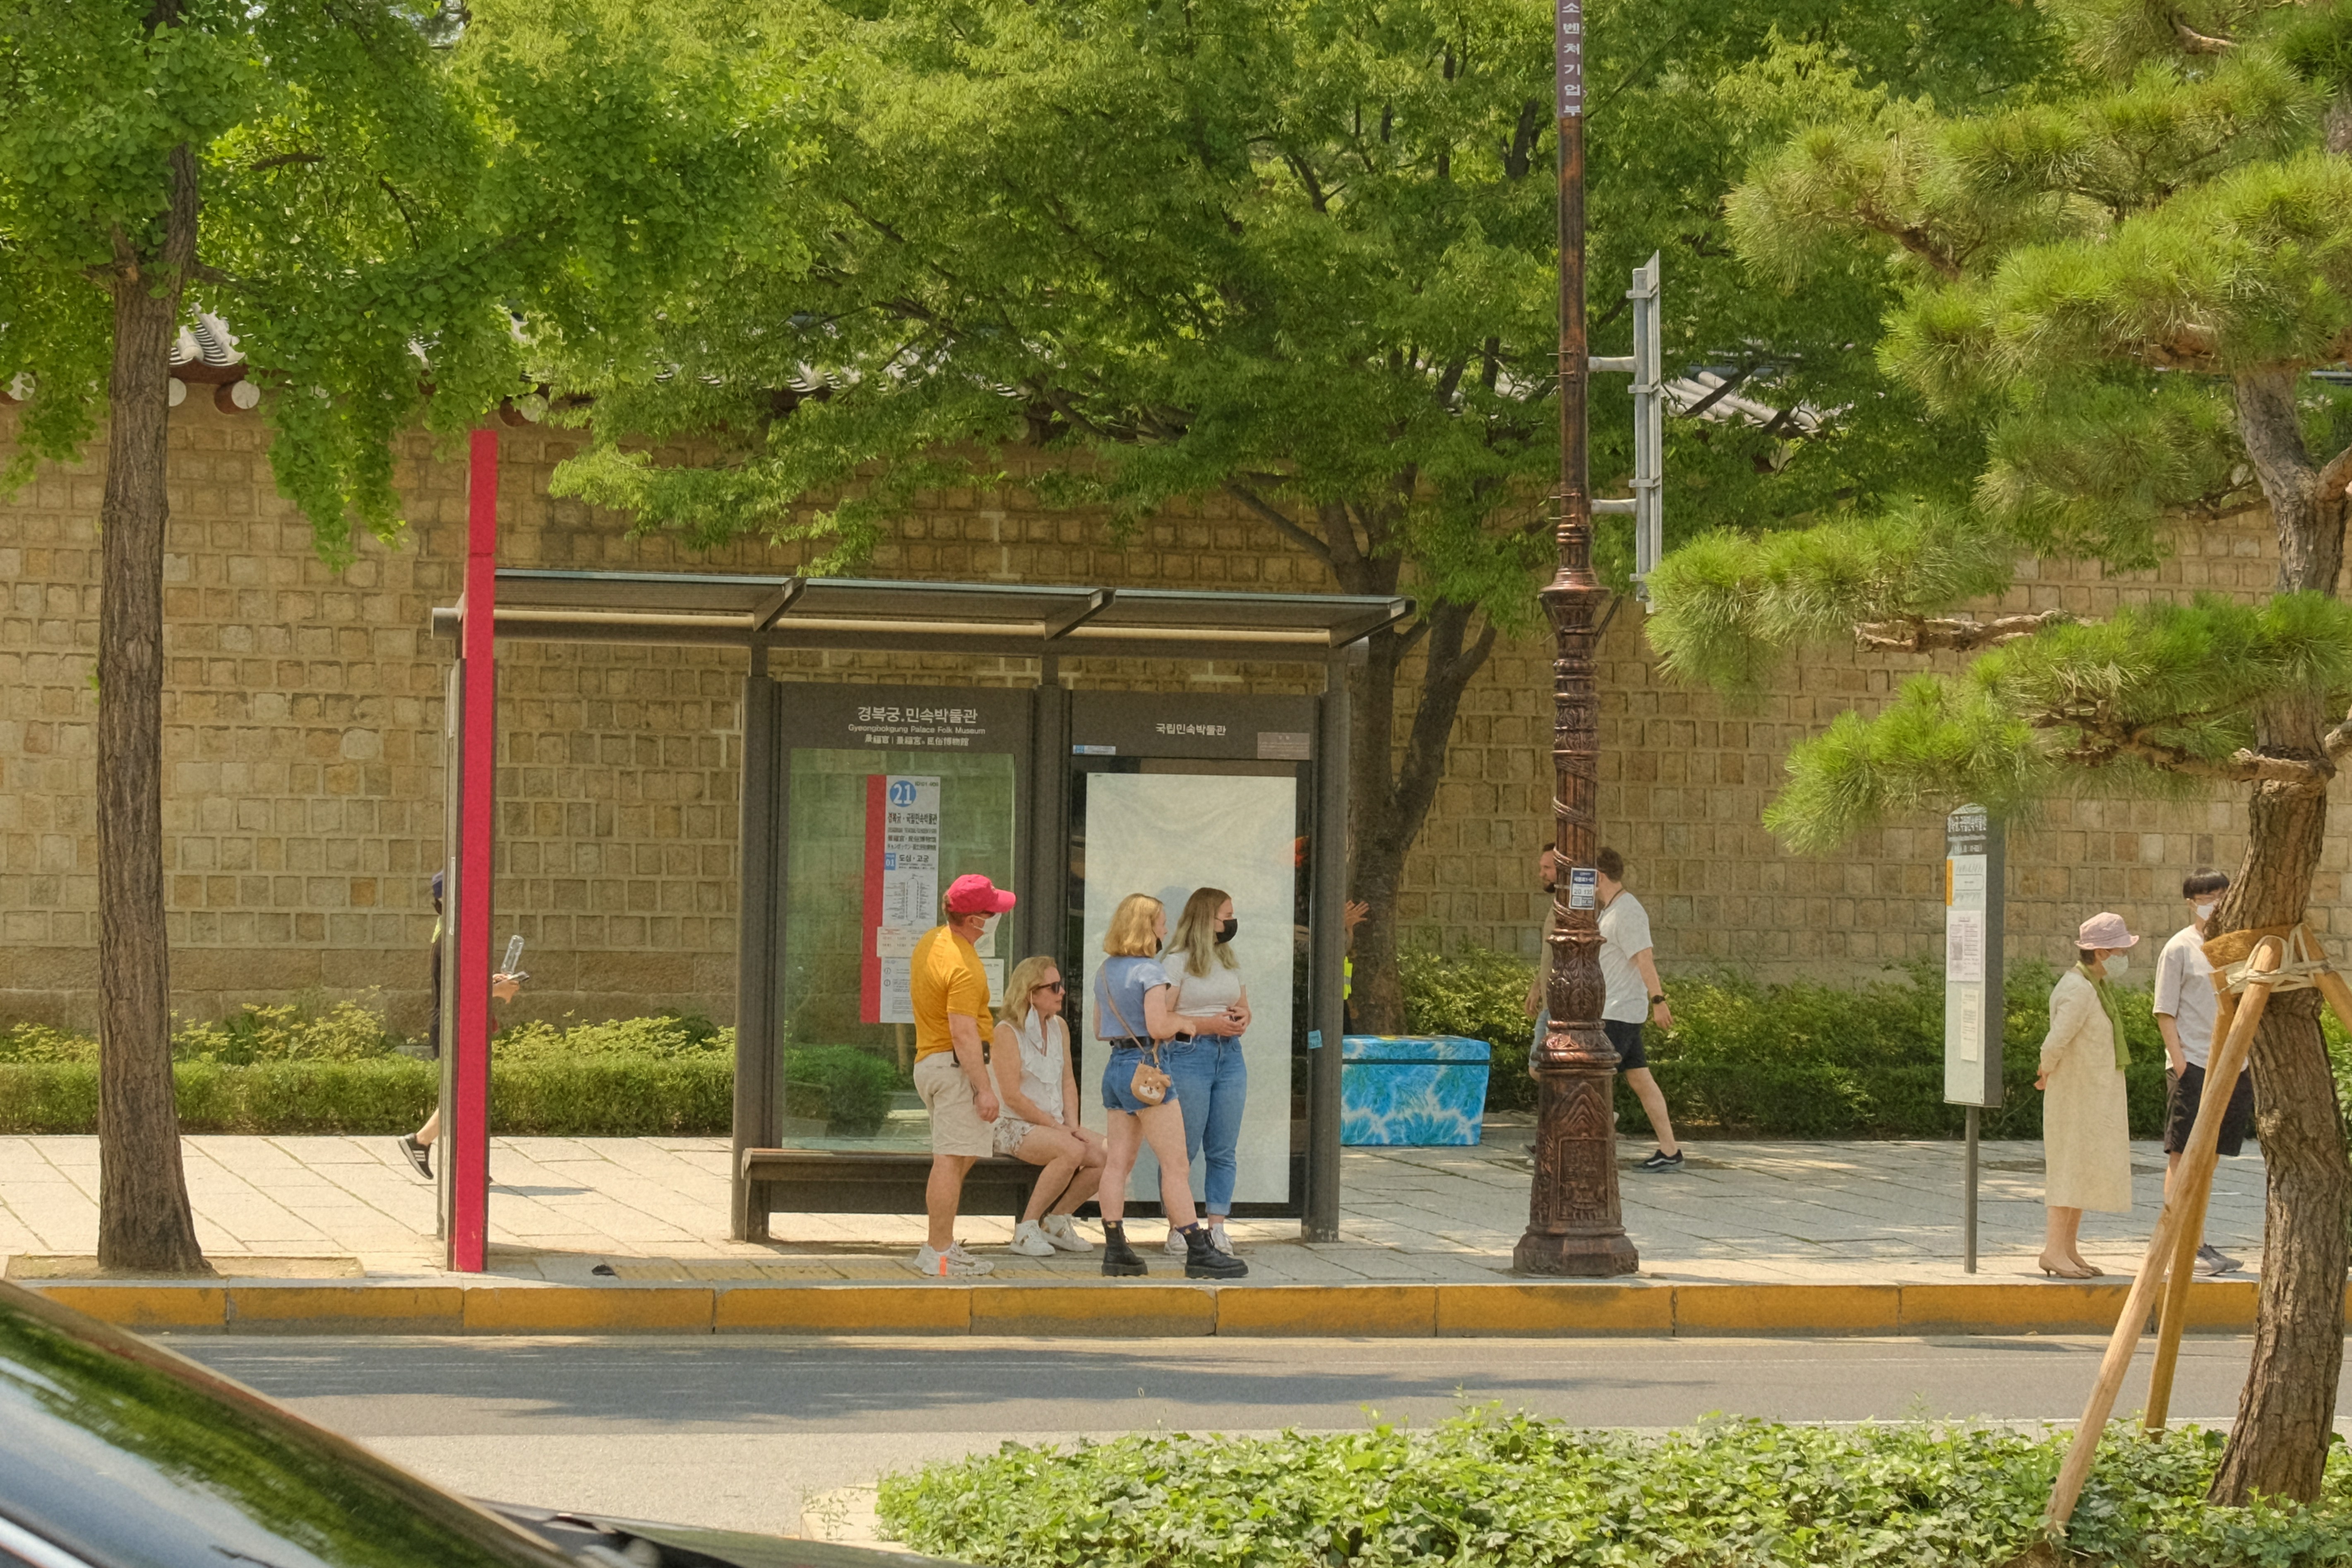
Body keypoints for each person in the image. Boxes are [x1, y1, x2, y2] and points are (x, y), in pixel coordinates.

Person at [1092, 893, 1248, 1280]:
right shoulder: (1151, 971)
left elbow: (1099, 1030)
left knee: (1117, 1163)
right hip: (1148, 1068)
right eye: (1160, 921)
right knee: (1176, 1165)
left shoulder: (1105, 971)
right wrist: (1189, 1025)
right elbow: (1160, 1026)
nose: (1165, 927)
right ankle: (1198, 1249)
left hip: (1116, 1067)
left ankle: (1116, 1247)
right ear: (1145, 926)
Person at [906, 873, 1016, 1277]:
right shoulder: (965, 966)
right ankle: (938, 1254)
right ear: (974, 922)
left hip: (931, 1061)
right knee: (951, 1161)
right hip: (955, 1067)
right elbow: (963, 1031)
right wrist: (984, 1088)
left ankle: (942, 1245)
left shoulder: (931, 942)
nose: (995, 919)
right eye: (991, 913)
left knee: (958, 1155)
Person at [2152, 868, 2251, 1275]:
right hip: (2192, 1064)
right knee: (2183, 1156)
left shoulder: (2238, 947)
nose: (2214, 903)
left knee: (2210, 1160)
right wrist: (2181, 1064)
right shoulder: (2179, 948)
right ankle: (2180, 1244)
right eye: (2205, 896)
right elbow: (2164, 1011)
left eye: (2220, 895)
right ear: (2191, 902)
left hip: (2234, 1065)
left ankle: (2200, 1239)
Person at [396, 869, 521, 1179]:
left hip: (458, 1023)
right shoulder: (450, 938)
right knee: (464, 1095)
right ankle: (422, 1141)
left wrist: (491, 981)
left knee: (468, 1096)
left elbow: (466, 979)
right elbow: (459, 989)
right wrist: (498, 990)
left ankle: (466, 1165)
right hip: (455, 1025)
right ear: (446, 898)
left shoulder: (450, 934)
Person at [2035, 912, 2140, 1279]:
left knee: (2080, 1170)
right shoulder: (2078, 989)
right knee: (2067, 1170)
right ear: (2100, 953)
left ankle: (2067, 1248)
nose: (2124, 957)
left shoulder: (2095, 987)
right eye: (2118, 950)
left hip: (2090, 1093)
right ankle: (2052, 1250)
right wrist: (2045, 1069)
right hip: (2074, 1095)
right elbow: (2056, 1040)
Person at [992, 954, 1105, 1257]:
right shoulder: (1006, 1032)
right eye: (1054, 986)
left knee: (1108, 1152)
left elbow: (1068, 1081)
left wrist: (1073, 1126)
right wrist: (1060, 1130)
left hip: (1053, 1125)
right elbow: (1012, 1096)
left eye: (1061, 985)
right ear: (1031, 993)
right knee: (1071, 1149)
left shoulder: (1059, 1027)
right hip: (1011, 1123)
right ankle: (1026, 1228)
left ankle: (1056, 1222)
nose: (1062, 992)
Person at [1158, 888, 1250, 1258]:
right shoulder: (1176, 962)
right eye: (1225, 914)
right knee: (1181, 1150)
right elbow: (1162, 1019)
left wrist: (1243, 1018)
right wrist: (1209, 1024)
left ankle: (1217, 1226)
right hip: (1188, 1055)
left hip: (1230, 1057)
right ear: (1206, 918)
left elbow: (1244, 1005)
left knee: (1223, 1148)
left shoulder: (1228, 958)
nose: (1230, 921)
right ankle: (1179, 1227)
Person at [1595, 848, 1683, 1171]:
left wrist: (1658, 1001)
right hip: (1617, 1009)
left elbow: (1644, 958)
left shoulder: (1628, 912)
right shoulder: (1611, 909)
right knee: (1641, 1081)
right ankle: (1670, 1150)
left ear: (1599, 876)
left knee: (1592, 1080)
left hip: (1618, 1012)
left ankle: (1590, 1145)